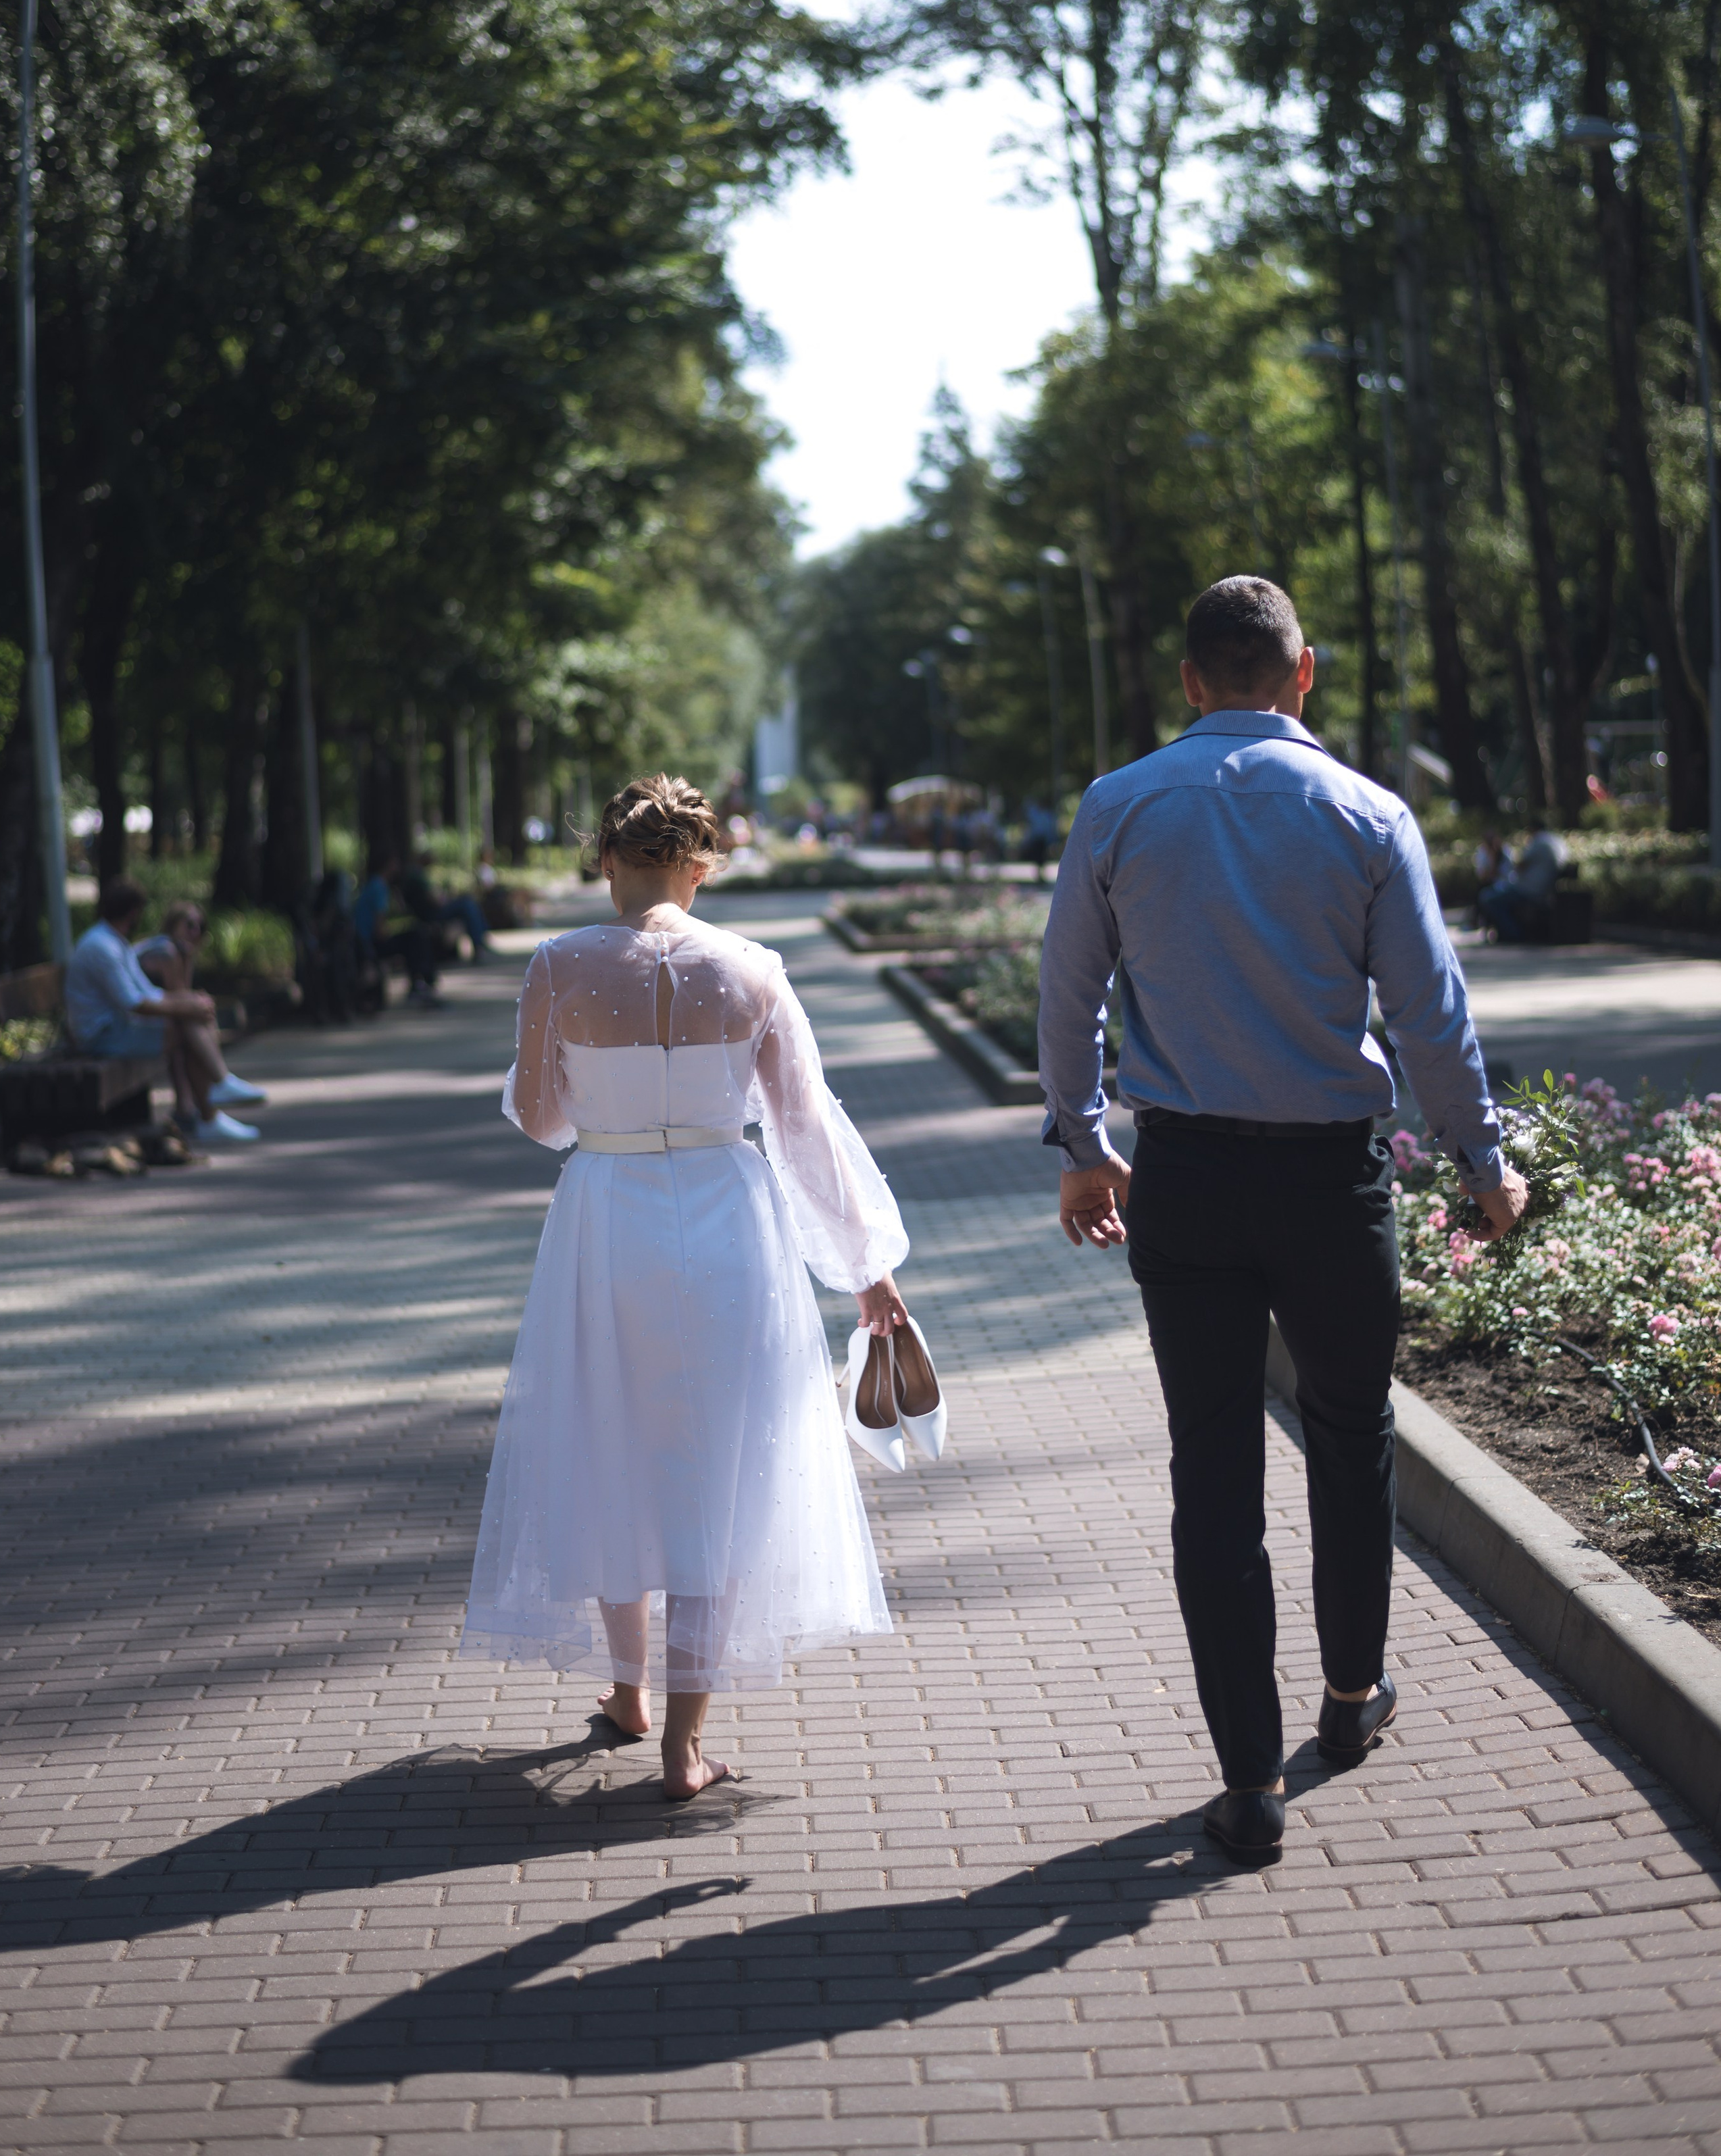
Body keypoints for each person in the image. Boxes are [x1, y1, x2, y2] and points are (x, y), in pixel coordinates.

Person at [1037, 576, 1528, 1865]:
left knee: (1213, 1468)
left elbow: (1069, 996)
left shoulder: (1119, 805)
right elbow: (1431, 1011)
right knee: (1351, 1434)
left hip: (1184, 1179)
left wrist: (1088, 1147)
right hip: (1331, 1183)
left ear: (1190, 680)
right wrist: (1484, 1160)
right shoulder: (1368, 812)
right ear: (1301, 674)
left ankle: (1248, 1779)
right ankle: (1353, 1700)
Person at [465, 772, 922, 1799]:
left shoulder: (558, 965)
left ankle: (626, 1690)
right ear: (701, 866)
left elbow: (541, 1117)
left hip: (607, 1216)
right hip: (728, 1214)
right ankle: (681, 1744)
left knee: (611, 1441)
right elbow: (807, 1132)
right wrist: (868, 1270)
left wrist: (602, 1098)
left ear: (606, 862)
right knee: (715, 1467)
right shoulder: (754, 969)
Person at [64, 880, 262, 1144]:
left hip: (115, 1028)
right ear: (134, 912)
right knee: (183, 1023)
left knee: (190, 1014)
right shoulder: (103, 947)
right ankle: (214, 1098)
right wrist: (185, 1005)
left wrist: (189, 1001)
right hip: (100, 1037)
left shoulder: (113, 941)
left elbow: (147, 992)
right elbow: (135, 1003)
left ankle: (210, 1103)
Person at [353, 858, 441, 1005]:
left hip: (364, 942)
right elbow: (379, 929)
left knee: (414, 935)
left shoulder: (371, 885)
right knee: (416, 937)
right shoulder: (379, 887)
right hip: (369, 945)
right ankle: (423, 982)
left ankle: (421, 982)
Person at [1478, 822, 1569, 943]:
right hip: (1544, 889)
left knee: (1488, 898)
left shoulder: (1540, 841)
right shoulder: (1556, 841)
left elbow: (1520, 865)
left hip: (1530, 890)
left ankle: (1512, 934)